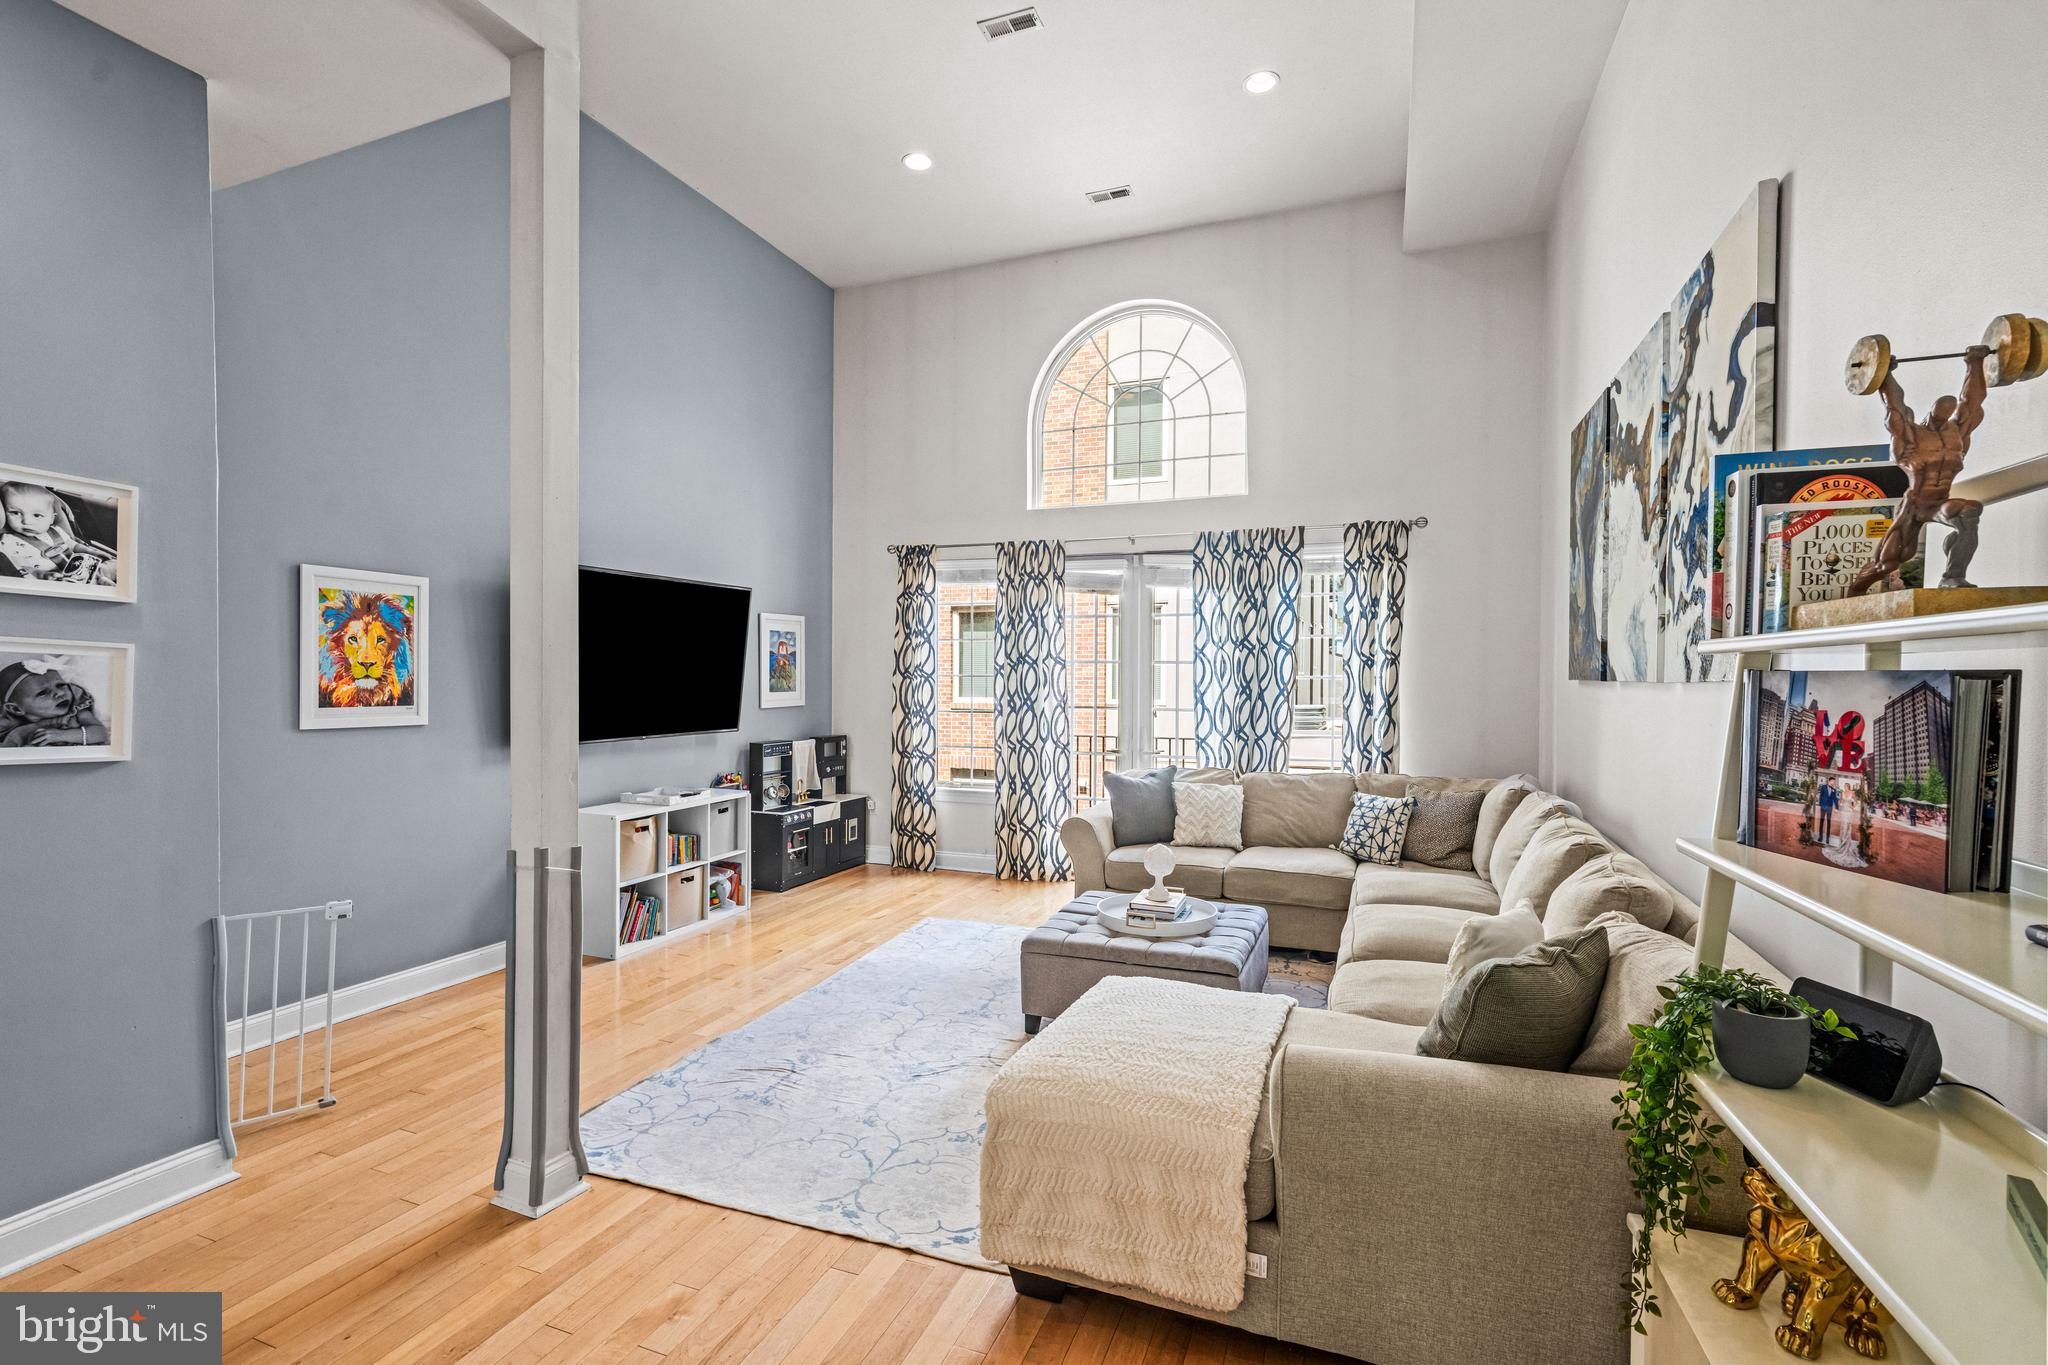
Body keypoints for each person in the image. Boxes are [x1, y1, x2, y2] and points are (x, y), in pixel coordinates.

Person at [0, 657, 109, 748]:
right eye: (43, 693)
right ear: (16, 709)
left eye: (60, 685)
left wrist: (62, 735)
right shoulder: (9, 725)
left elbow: (101, 733)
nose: (60, 693)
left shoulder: (75, 710)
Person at [1817, 777, 1840, 845]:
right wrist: (1821, 804)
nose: (1833, 783)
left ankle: (1827, 838)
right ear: (1829, 781)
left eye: (1834, 782)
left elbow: (1835, 799)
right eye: (1833, 781)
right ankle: (1820, 836)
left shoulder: (1834, 789)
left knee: (1829, 822)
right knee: (1821, 822)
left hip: (1830, 807)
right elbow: (1821, 796)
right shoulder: (1823, 787)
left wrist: (1836, 808)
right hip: (1823, 806)